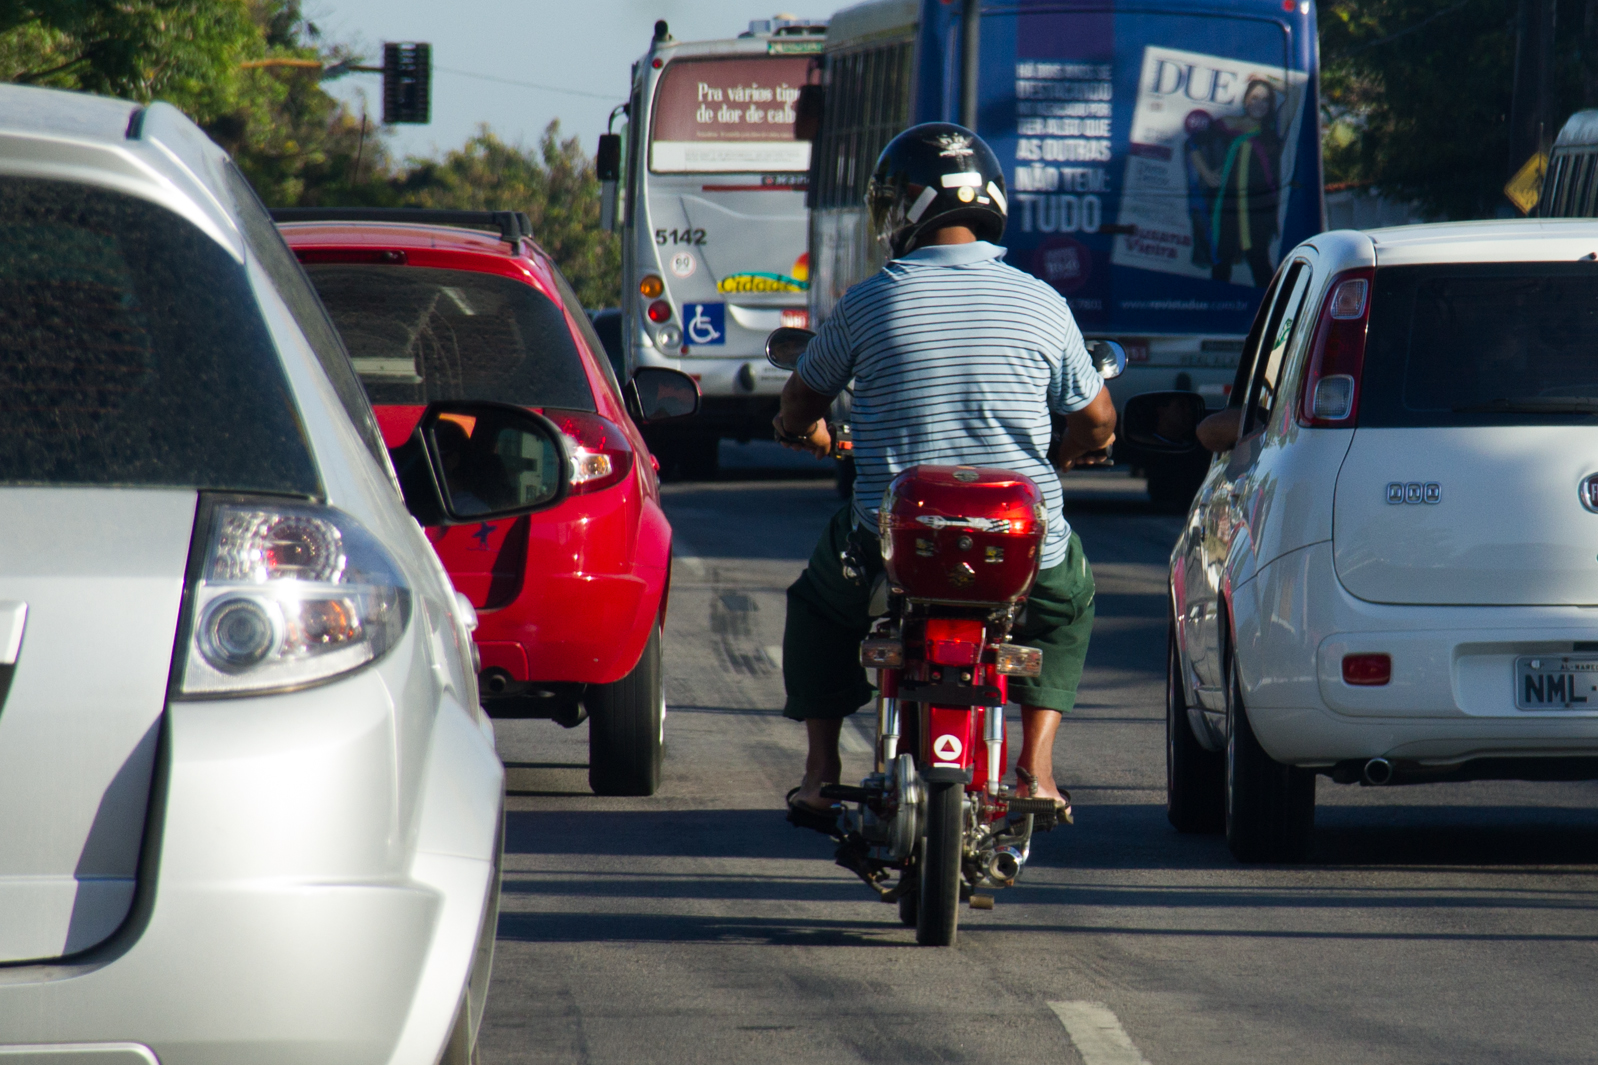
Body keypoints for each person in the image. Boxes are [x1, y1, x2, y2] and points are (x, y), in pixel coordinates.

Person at [774, 122, 1117, 831]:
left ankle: (819, 770)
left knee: (817, 604)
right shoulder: (1043, 303)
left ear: (911, 210)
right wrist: (1068, 454)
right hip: (1017, 545)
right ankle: (1038, 768)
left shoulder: (868, 301)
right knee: (1068, 600)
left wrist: (797, 431)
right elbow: (1099, 420)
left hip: (891, 544)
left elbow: (802, 398)